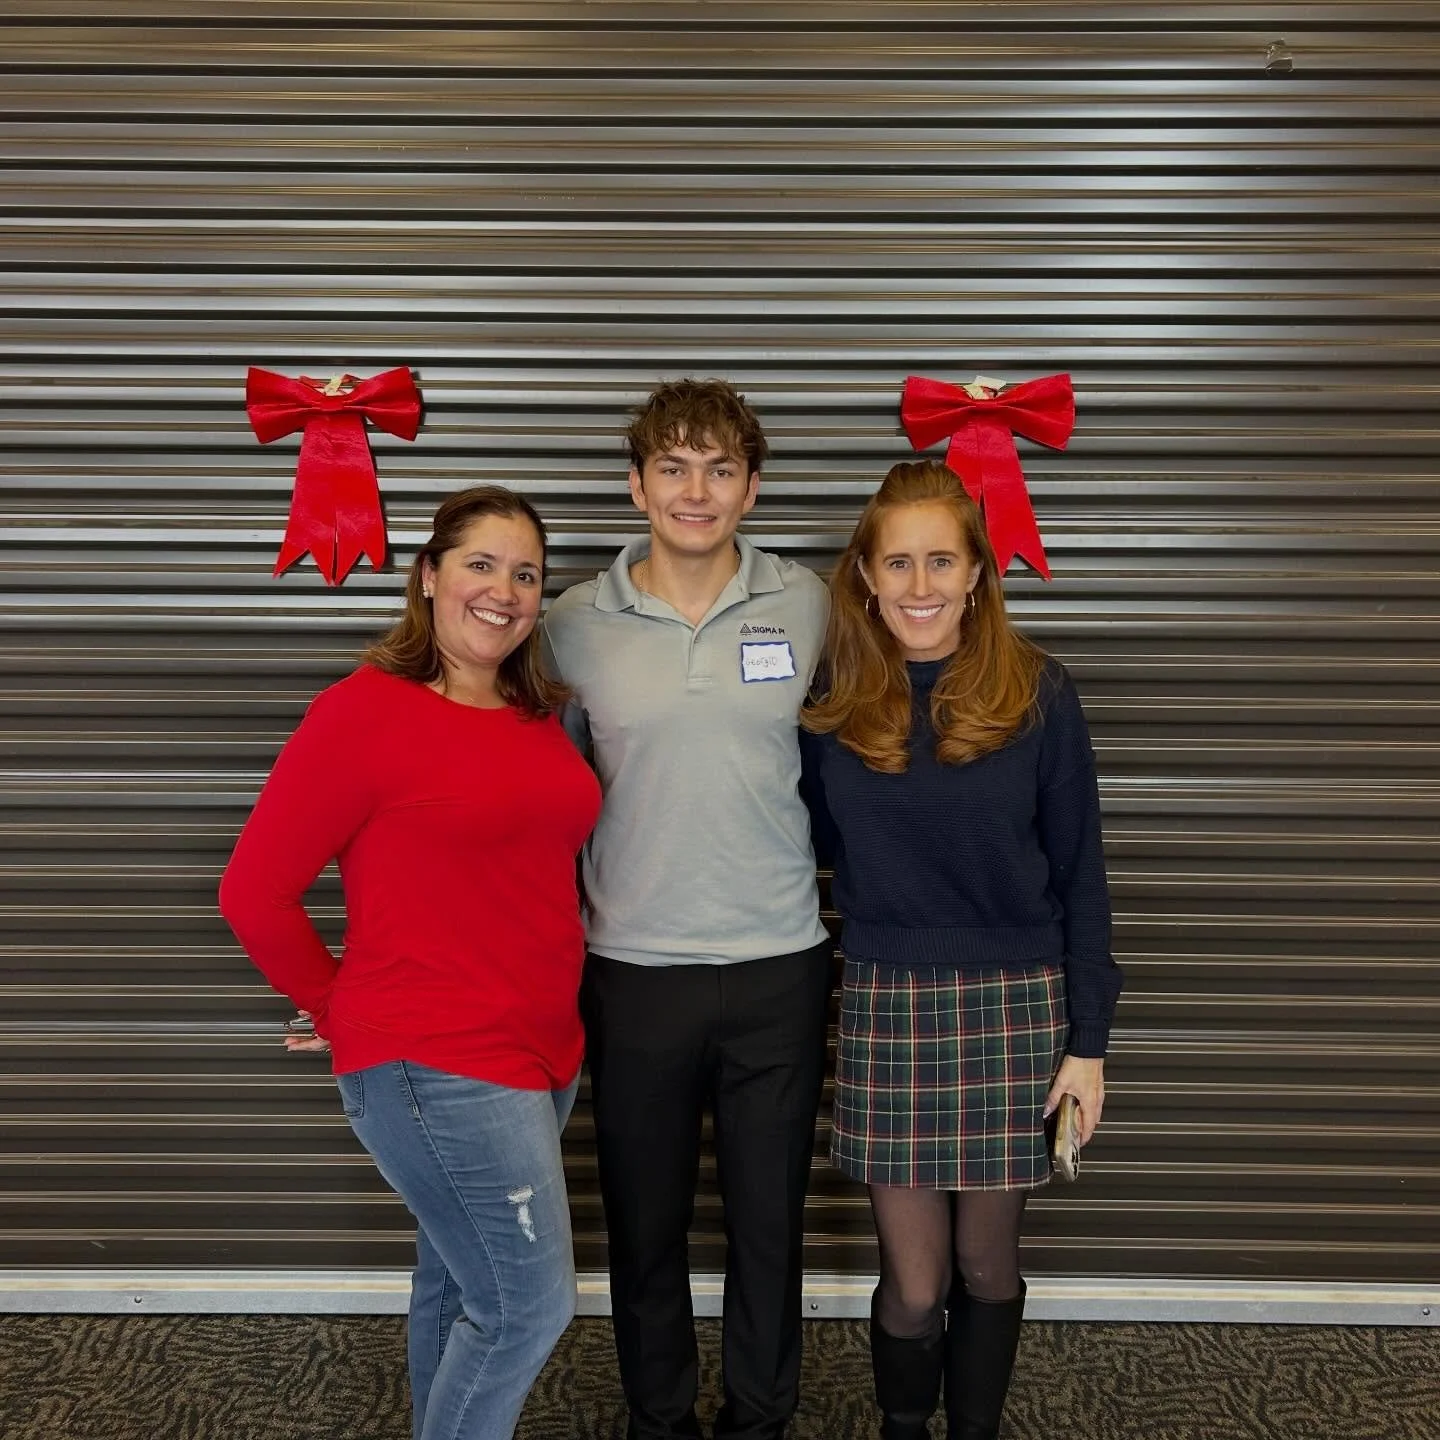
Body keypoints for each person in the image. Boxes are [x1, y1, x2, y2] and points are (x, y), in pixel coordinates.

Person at [218, 486, 601, 1440]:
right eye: (480, 564)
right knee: (525, 1307)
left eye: (526, 574)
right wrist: (336, 1004)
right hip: (440, 1064)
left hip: (542, 1050)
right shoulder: (362, 715)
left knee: (458, 1285)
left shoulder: (537, 714)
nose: (505, 592)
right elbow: (252, 893)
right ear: (427, 576)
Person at [799, 460, 1123, 1440]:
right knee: (914, 1279)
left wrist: (1089, 1043)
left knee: (986, 1267)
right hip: (890, 1000)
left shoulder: (1038, 694)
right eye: (897, 562)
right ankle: (904, 1428)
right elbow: (796, 852)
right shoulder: (833, 706)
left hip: (1017, 1006)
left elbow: (1083, 876)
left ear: (980, 571)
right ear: (864, 575)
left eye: (943, 559)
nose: (921, 585)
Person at [543, 378, 832, 1440]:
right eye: (673, 466)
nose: (695, 490)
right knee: (644, 1226)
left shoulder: (810, 603)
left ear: (752, 488)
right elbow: (531, 797)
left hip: (778, 964)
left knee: (769, 1226)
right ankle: (658, 1418)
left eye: (718, 468)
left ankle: (761, 1418)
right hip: (631, 971)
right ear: (636, 486)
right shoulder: (571, 624)